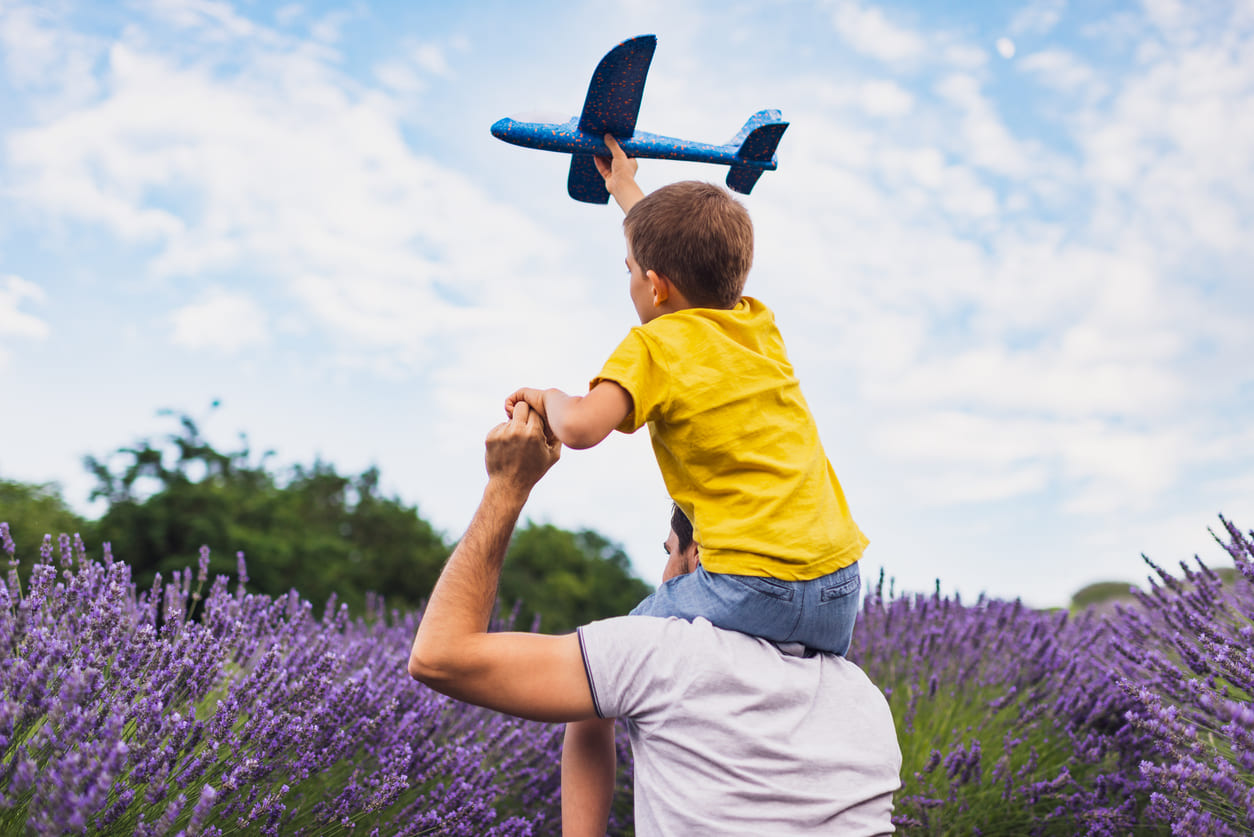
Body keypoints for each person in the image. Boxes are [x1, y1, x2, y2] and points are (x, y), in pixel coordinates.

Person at [407, 404, 902, 835]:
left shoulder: (663, 653)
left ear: (703, 556)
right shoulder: (863, 698)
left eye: (670, 552)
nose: (664, 577)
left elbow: (440, 657)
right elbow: (592, 708)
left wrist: (507, 485)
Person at [506, 135, 866, 656]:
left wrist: (549, 395)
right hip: (839, 591)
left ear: (655, 287)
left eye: (629, 270)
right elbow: (692, 260)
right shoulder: (755, 324)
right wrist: (625, 189)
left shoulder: (655, 346)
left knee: (603, 658)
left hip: (753, 586)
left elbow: (581, 428)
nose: (628, 278)